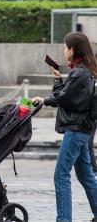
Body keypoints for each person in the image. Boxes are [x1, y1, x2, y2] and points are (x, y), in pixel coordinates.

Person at [32, 32, 97, 222]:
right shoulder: (86, 71)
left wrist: (44, 100)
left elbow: (64, 99)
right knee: (86, 176)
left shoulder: (79, 73)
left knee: (60, 175)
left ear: (73, 49)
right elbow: (68, 97)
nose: (63, 50)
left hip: (76, 131)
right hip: (83, 130)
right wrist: (58, 79)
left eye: (65, 47)